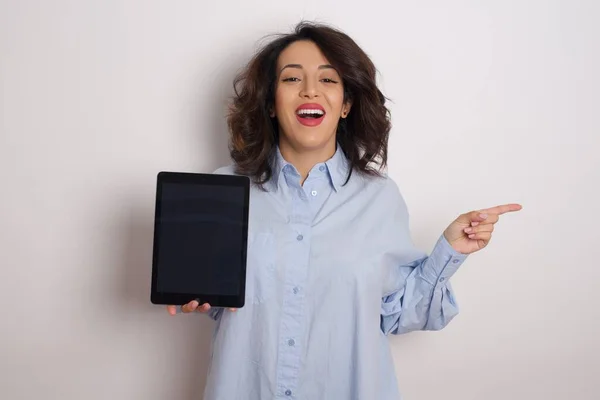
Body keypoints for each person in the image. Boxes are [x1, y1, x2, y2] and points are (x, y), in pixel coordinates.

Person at [166, 21, 522, 400]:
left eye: (328, 80)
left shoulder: (380, 199)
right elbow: (215, 294)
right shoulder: (225, 190)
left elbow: (400, 314)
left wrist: (449, 250)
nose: (310, 90)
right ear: (270, 103)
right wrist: (195, 294)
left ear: (347, 104)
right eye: (291, 79)